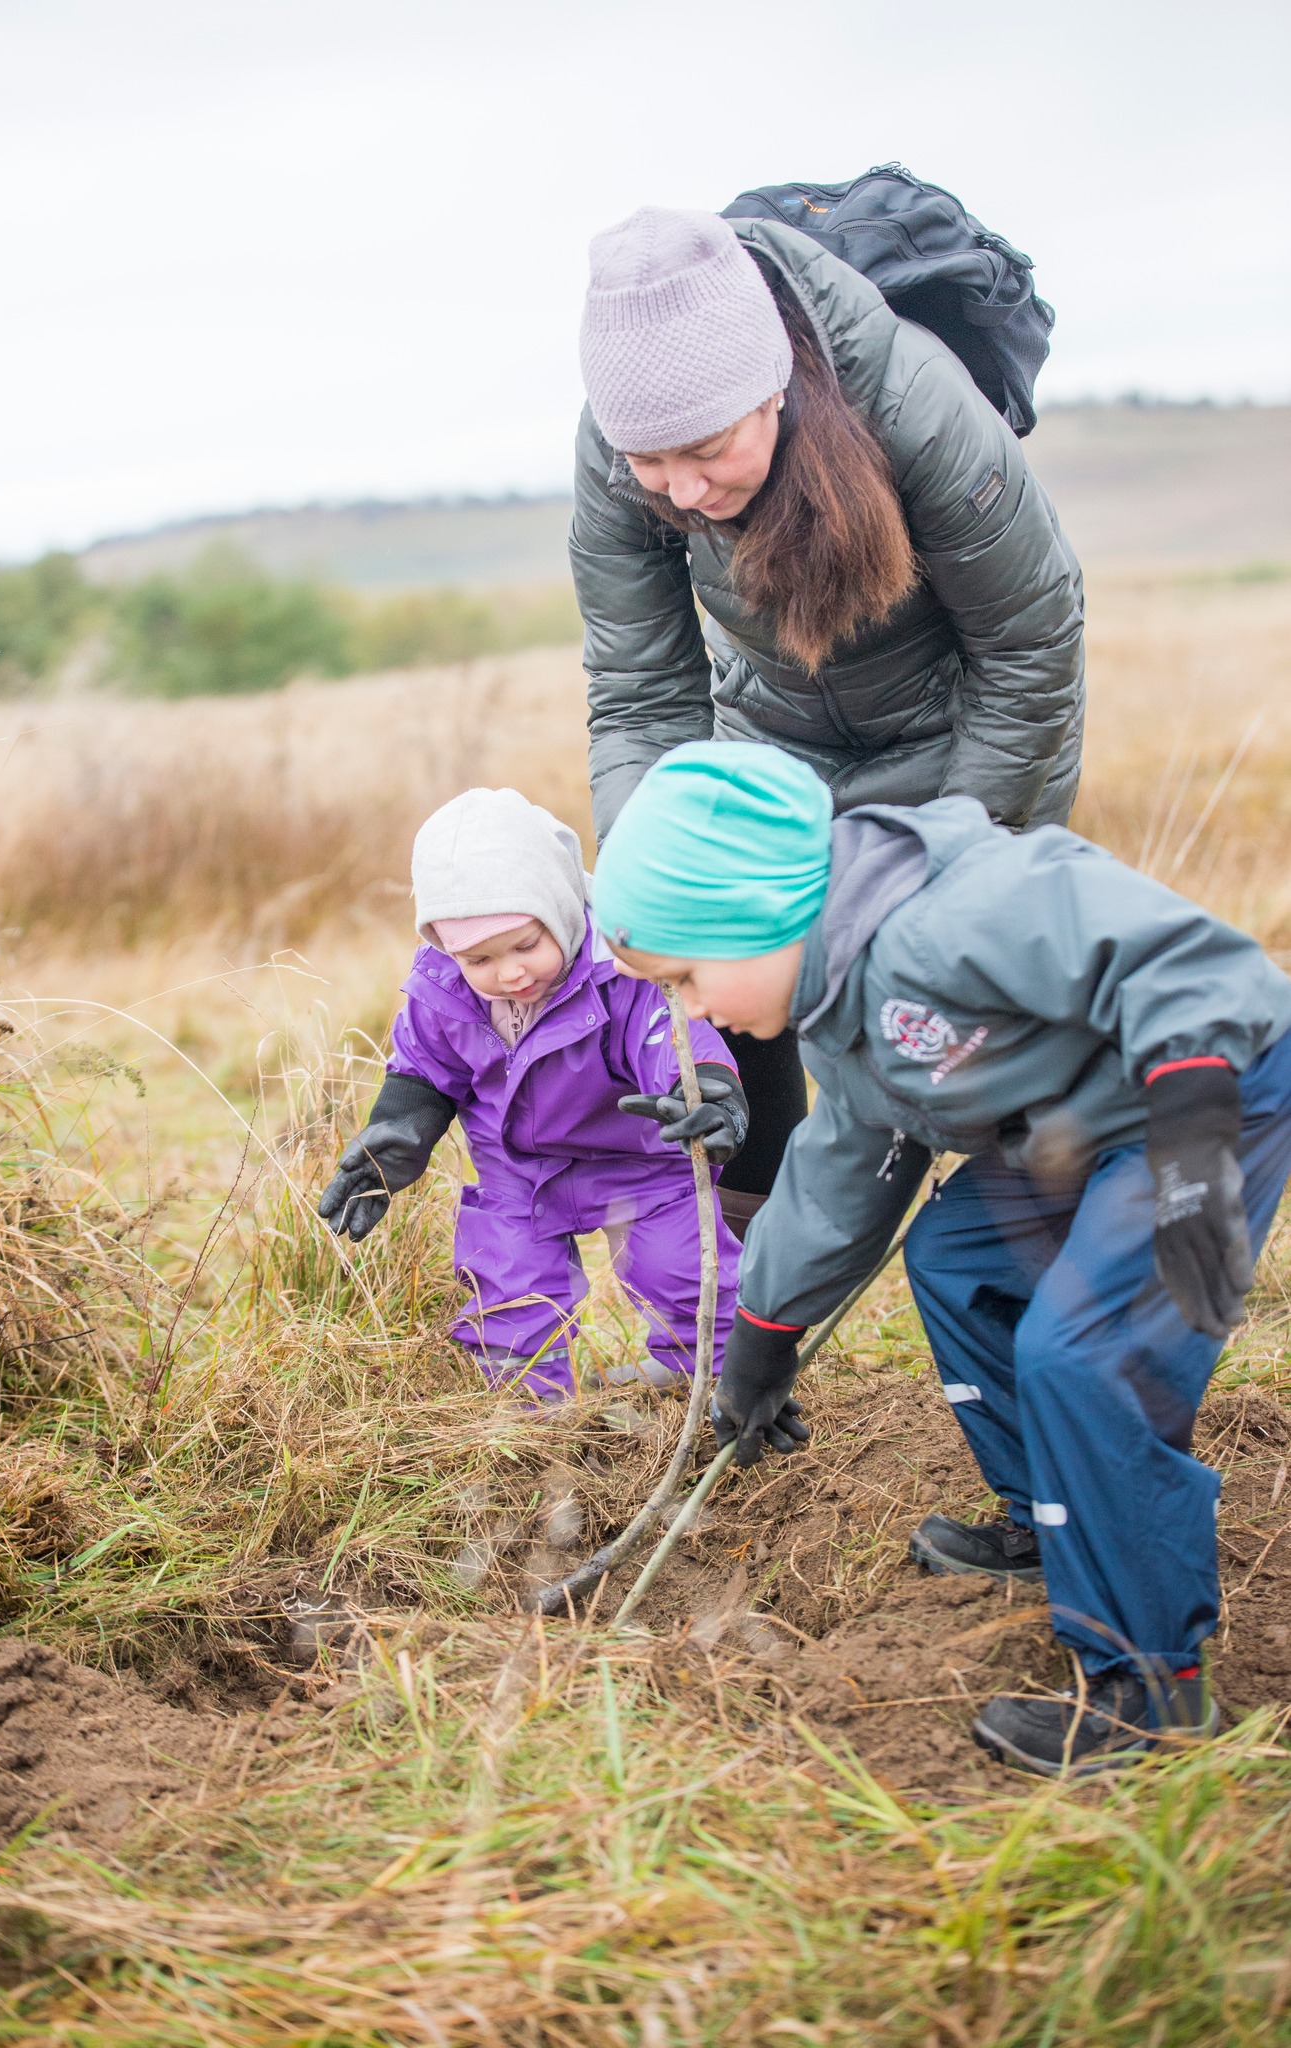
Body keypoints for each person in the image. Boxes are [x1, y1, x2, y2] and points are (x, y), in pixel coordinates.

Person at [593, 741, 1291, 1775]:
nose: (692, 1009)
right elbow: (844, 1165)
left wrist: (1192, 1145)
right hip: (1081, 1131)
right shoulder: (833, 1007)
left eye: (688, 975)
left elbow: (1187, 965)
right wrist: (761, 1338)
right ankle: (1049, 1518)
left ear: (752, 908)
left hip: (1197, 1094)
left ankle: (1150, 1690)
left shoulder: (956, 910)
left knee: (1079, 1355)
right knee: (951, 1251)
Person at [571, 205, 1086, 1243]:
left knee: (966, 1026)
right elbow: (639, 690)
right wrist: (654, 883)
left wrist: (941, 859)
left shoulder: (911, 404)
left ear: (772, 388)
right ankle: (747, 1328)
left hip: (965, 737)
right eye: (649, 464)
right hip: (772, 744)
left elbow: (1030, 644)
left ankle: (1038, 1279)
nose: (679, 491)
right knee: (731, 977)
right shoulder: (615, 454)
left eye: (706, 452)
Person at [317, 787, 744, 1400]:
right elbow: (424, 1068)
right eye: (480, 958)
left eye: (525, 945)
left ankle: (711, 1379)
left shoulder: (621, 968)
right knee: (510, 1293)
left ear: (563, 908)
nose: (511, 973)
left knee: (681, 1271)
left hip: (639, 1156)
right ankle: (532, 1414)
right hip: (516, 1170)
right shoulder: (442, 987)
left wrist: (704, 1093)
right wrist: (401, 1131)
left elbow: (668, 1037)